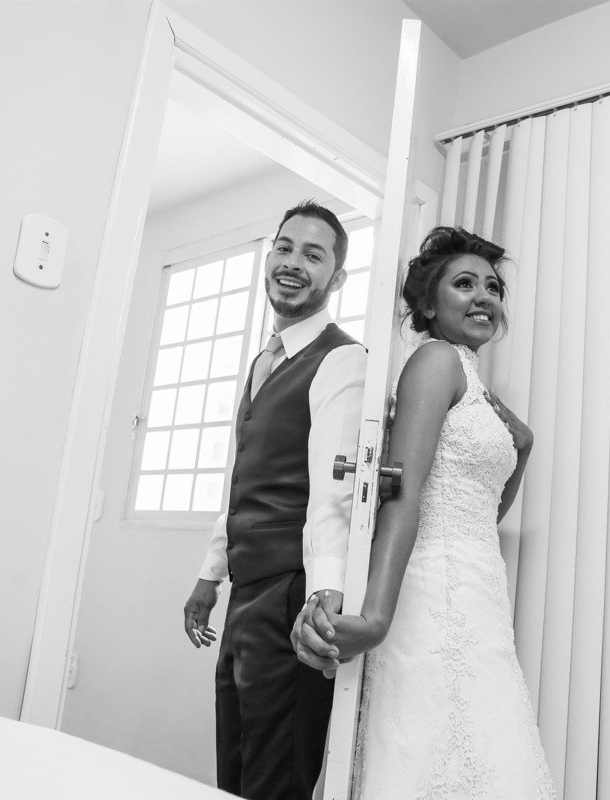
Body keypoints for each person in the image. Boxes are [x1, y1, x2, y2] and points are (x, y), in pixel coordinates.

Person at [293, 227, 555, 797]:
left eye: (493, 287)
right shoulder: (436, 360)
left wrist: (523, 447)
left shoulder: (471, 380)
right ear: (429, 305)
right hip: (432, 594)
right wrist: (377, 617)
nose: (484, 296)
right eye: (464, 284)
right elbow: (404, 493)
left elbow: (478, 511)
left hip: (478, 595)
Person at [181, 200, 366, 800]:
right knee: (234, 765)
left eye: (313, 255)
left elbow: (336, 489)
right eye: (284, 248)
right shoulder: (266, 360)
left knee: (276, 776)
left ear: (336, 277)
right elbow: (246, 476)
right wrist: (211, 573)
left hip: (291, 592)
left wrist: (323, 595)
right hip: (245, 591)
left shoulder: (342, 358)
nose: (292, 263)